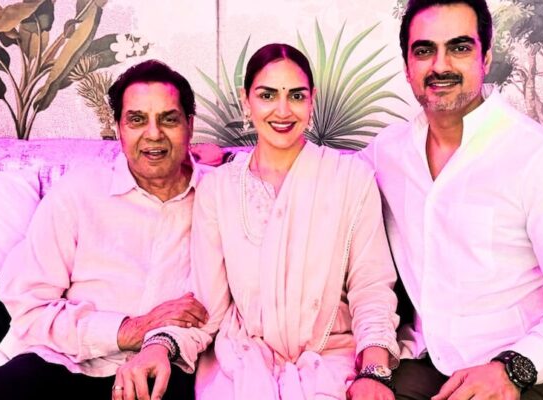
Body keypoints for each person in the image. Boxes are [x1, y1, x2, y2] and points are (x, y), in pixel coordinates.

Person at [116, 43, 401, 400]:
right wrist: (158, 346)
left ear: (312, 100)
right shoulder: (219, 189)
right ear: (246, 101)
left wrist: (374, 373)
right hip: (241, 368)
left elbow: (371, 288)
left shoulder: (351, 179)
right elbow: (207, 306)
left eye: (296, 96)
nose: (282, 110)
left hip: (331, 366)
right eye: (267, 95)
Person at [360, 0, 543, 399]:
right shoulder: (387, 153)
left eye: (460, 47)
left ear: (486, 57)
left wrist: (512, 369)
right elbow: (319, 178)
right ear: (407, 65)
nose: (441, 65)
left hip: (532, 369)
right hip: (429, 361)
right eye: (424, 50)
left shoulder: (536, 156)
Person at [0, 60, 208, 400]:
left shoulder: (216, 197)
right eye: (137, 120)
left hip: (163, 372)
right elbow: (29, 310)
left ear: (189, 126)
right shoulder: (80, 192)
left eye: (169, 119)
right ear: (118, 128)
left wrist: (157, 340)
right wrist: (127, 330)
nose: (153, 134)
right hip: (64, 364)